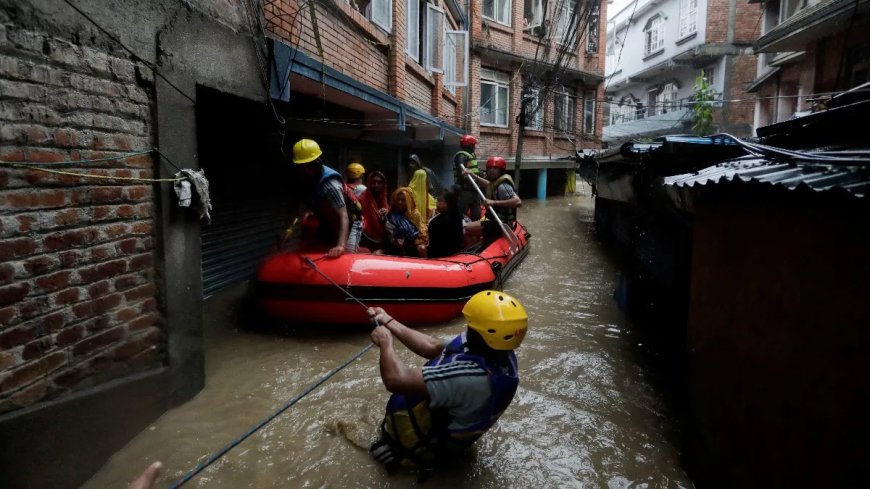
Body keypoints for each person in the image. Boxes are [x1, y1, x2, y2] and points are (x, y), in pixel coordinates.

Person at [367, 290, 528, 472]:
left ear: (482, 335)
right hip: (446, 431)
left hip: (420, 447)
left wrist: (386, 343)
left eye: (471, 326)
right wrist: (388, 320)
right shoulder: (498, 352)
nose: (467, 329)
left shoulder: (470, 378)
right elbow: (432, 346)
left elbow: (395, 380)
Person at [291, 139, 362, 257]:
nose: (306, 170)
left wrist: (340, 246)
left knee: (346, 255)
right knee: (318, 249)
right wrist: (287, 229)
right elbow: (293, 208)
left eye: (309, 165)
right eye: (302, 166)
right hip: (327, 219)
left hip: (351, 217)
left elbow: (343, 216)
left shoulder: (330, 185)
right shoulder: (302, 181)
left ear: (317, 162)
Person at [463, 156, 522, 242]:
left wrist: (493, 202)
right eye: (489, 168)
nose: (491, 171)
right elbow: (488, 185)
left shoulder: (503, 186)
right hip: (493, 220)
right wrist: (473, 176)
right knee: (469, 229)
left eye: (495, 168)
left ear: (501, 170)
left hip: (501, 224)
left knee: (465, 227)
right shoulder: (495, 183)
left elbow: (518, 202)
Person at [385, 187, 428, 258]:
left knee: (422, 248)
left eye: (403, 200)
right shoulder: (392, 215)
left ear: (409, 201)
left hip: (412, 246)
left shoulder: (415, 215)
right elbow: (387, 234)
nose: (400, 202)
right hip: (394, 246)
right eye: (398, 200)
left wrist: (411, 241)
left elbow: (422, 235)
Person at [426, 186, 465, 258]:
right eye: (437, 200)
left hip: (439, 258)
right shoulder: (457, 217)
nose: (437, 203)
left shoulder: (439, 221)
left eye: (440, 201)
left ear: (449, 203)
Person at [359, 170, 390, 253]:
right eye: (374, 182)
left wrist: (387, 213)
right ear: (369, 183)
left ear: (383, 184)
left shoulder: (384, 199)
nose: (376, 185)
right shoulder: (362, 198)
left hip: (381, 238)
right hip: (365, 237)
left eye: (379, 183)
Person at [453, 134, 482, 221]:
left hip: (474, 190)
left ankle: (475, 229)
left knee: (476, 214)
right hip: (465, 190)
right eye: (473, 145)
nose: (474, 147)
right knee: (461, 213)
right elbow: (461, 171)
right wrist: (467, 185)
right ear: (469, 145)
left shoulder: (470, 156)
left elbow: (471, 170)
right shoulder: (461, 156)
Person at [408, 155, 436, 221]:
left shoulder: (422, 173)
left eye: (413, 163)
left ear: (417, 163)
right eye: (410, 163)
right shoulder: (411, 174)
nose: (410, 165)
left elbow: (430, 187)